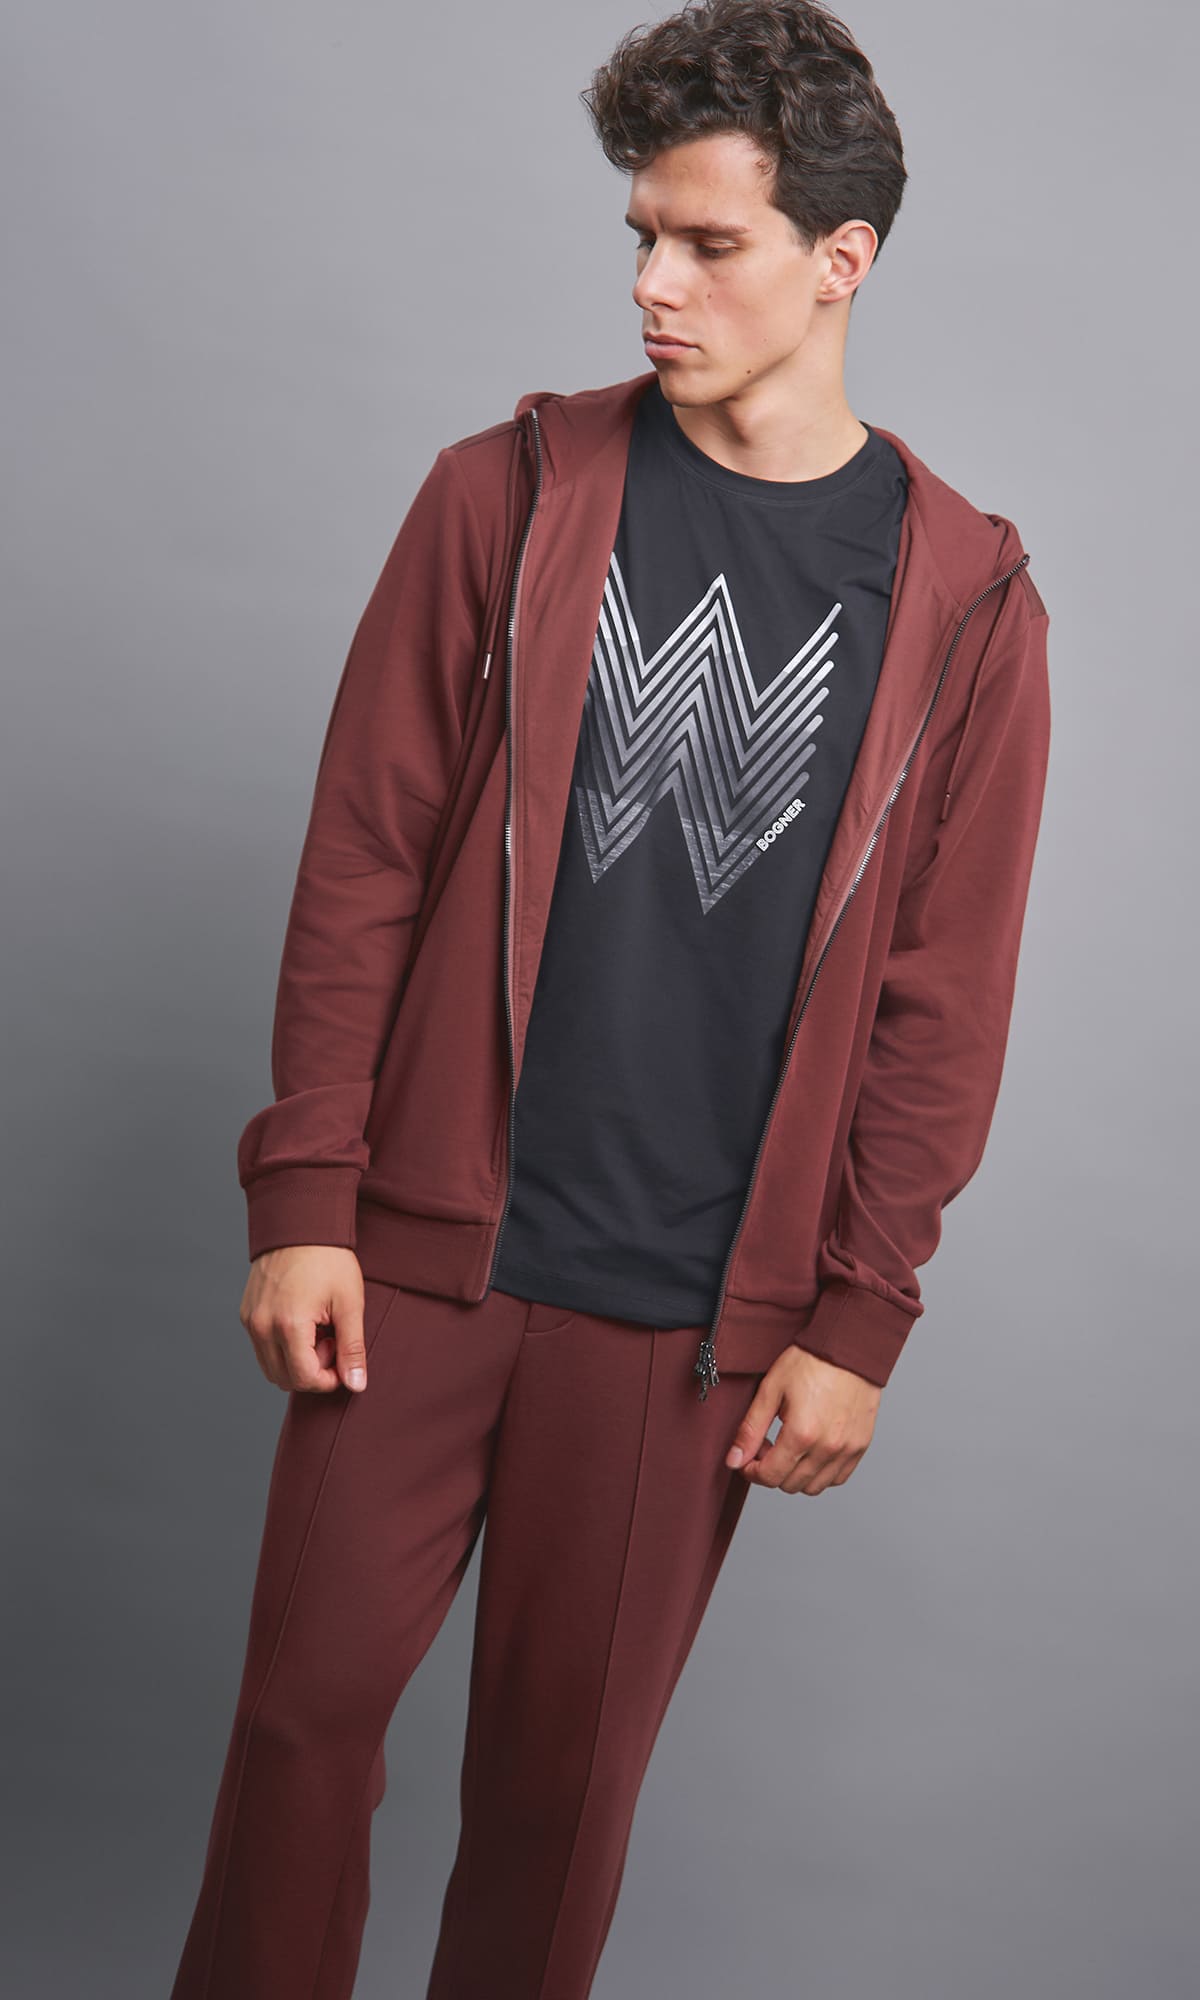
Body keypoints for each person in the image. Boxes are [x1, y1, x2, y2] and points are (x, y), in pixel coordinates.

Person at [168, 3, 1051, 1995]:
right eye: (641, 236)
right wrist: (305, 1192)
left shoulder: (970, 605)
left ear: (842, 258)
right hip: (420, 1258)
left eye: (709, 244)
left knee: (556, 1807)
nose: (654, 282)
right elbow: (364, 856)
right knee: (300, 1727)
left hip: (690, 1321)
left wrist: (860, 1315)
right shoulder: (506, 492)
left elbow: (944, 1001)